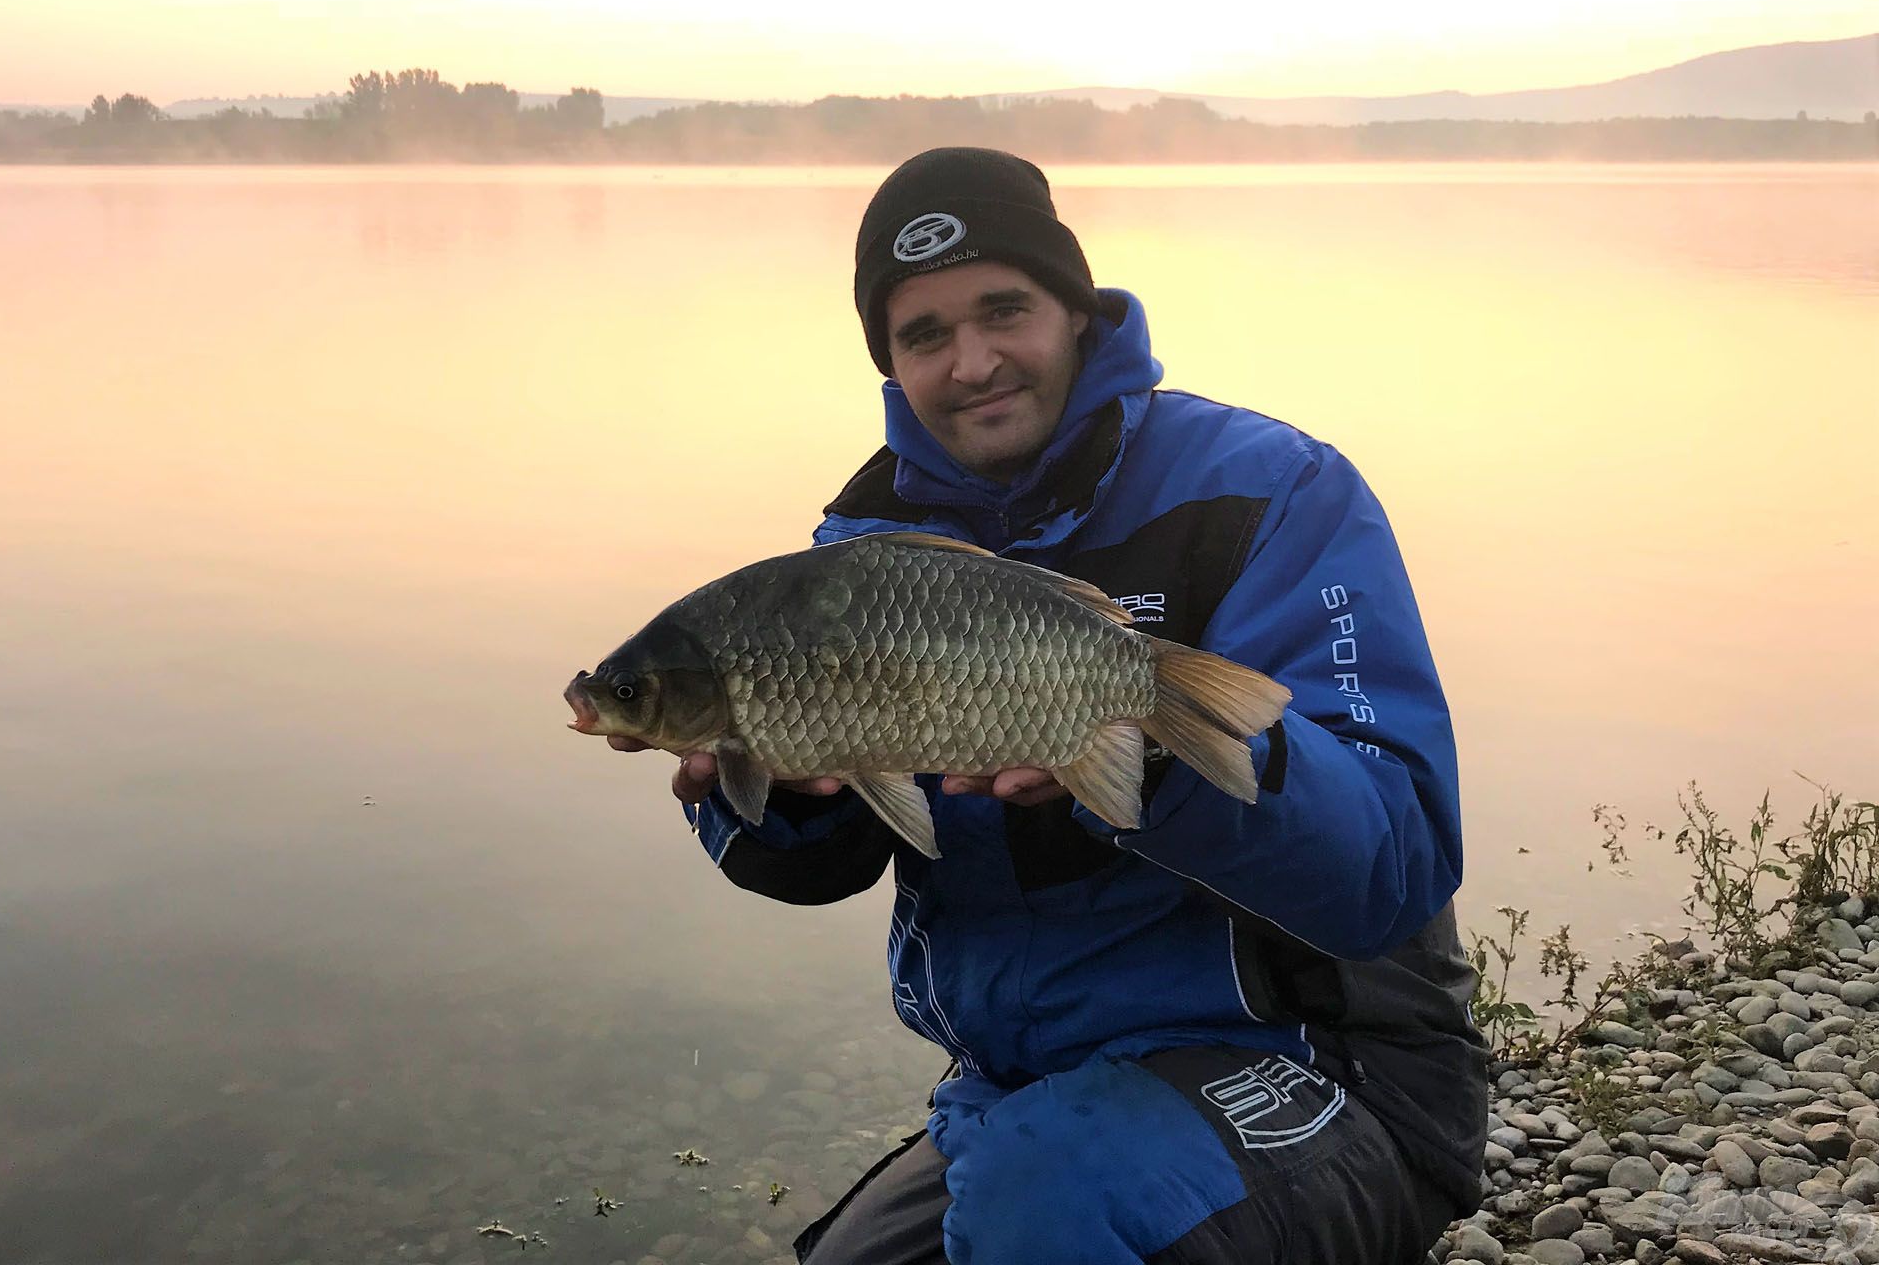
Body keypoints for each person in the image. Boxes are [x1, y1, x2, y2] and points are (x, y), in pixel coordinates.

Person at [609, 147, 1487, 1264]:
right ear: (892, 363)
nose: (972, 362)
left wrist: (1159, 765)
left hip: (1324, 1073)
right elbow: (826, 857)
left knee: (1047, 1211)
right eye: (924, 334)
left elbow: (1393, 868)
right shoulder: (856, 560)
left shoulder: (1270, 491)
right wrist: (778, 798)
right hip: (1032, 1091)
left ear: (1075, 309)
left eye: (1002, 310)